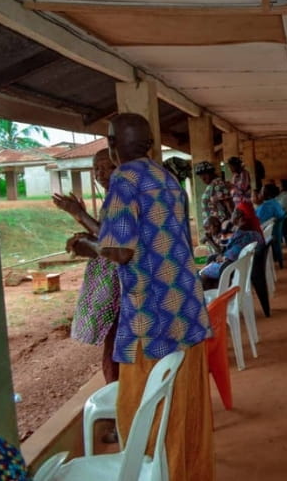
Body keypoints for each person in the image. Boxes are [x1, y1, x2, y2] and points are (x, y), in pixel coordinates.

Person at [72, 112, 214, 481]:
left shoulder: (124, 179)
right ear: (150, 144)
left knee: (142, 412)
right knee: (185, 405)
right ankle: (189, 472)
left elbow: (120, 251)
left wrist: (87, 245)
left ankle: (157, 474)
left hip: (150, 320)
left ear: (112, 146)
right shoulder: (166, 178)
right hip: (185, 308)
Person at [54, 149, 121, 385]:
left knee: (114, 343)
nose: (100, 174)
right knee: (112, 341)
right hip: (111, 276)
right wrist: (83, 227)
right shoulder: (113, 196)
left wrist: (80, 214)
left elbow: (113, 241)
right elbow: (105, 233)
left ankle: (117, 395)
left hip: (119, 282)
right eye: (96, 169)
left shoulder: (122, 197)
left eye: (107, 167)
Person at [199, 207, 261, 290]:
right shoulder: (251, 234)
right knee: (208, 268)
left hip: (233, 267)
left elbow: (232, 253)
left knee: (202, 275)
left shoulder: (241, 236)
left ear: (239, 220)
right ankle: (217, 289)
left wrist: (224, 257)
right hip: (239, 264)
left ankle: (217, 292)